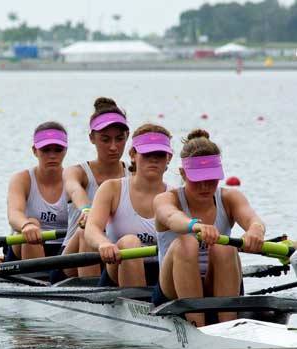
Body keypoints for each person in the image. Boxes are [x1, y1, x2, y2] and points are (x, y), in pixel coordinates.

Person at [153, 129, 265, 327]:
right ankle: (198, 327)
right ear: (182, 173)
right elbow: (171, 217)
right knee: (187, 242)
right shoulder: (166, 199)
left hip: (217, 281)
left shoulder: (230, 198)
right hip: (172, 289)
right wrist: (194, 226)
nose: (205, 185)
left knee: (224, 246)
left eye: (211, 178)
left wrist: (255, 231)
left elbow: (253, 220)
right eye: (198, 179)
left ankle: (229, 328)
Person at [85, 124, 173, 287]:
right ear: (133, 154)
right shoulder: (112, 189)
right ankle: (137, 306)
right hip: (118, 269)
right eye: (147, 154)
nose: (153, 159)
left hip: (163, 273)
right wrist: (103, 243)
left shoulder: (175, 196)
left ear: (169, 158)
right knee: (130, 242)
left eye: (160, 154)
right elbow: (91, 229)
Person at [60, 97, 130, 278]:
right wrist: (86, 209)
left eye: (119, 139)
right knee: (87, 230)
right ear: (92, 138)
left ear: (127, 137)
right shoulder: (76, 172)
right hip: (72, 259)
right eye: (105, 139)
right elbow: (75, 190)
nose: (113, 147)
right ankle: (91, 293)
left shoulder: (134, 175)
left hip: (116, 253)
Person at [6, 121, 68, 260]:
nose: (52, 155)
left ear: (65, 150)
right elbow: (14, 213)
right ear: (35, 151)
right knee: (33, 223)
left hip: (64, 249)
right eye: (45, 150)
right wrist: (26, 225)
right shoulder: (22, 179)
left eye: (58, 149)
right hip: (25, 246)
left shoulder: (74, 178)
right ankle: (37, 276)